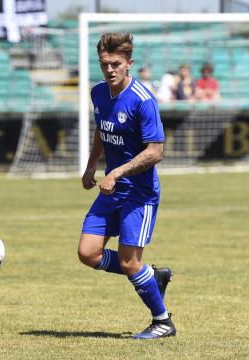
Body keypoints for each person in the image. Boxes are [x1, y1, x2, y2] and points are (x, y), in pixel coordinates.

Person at [78, 32, 176, 340]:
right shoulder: (98, 93)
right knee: (88, 253)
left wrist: (117, 172)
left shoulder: (143, 100)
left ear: (129, 63)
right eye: (104, 63)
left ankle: (162, 322)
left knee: (129, 262)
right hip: (112, 188)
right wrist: (92, 164)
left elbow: (155, 152)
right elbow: (101, 129)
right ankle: (151, 276)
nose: (109, 70)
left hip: (139, 195)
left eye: (116, 64)